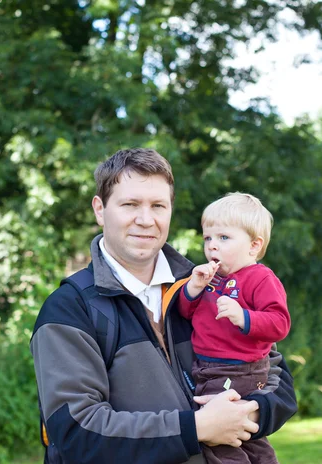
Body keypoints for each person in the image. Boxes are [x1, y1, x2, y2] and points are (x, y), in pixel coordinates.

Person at [30, 148, 297, 464]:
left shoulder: (206, 286)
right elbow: (77, 431)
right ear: (100, 210)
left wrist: (246, 413)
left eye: (158, 205)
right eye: (130, 204)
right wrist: (195, 428)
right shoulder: (70, 309)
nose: (145, 220)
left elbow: (279, 386)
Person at [178, 193, 291, 464]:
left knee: (218, 437)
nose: (212, 246)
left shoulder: (260, 278)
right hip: (209, 368)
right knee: (248, 436)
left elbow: (279, 323)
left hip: (236, 369)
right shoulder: (211, 278)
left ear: (254, 246)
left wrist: (244, 317)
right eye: (208, 238)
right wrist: (192, 289)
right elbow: (185, 312)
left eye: (224, 238)